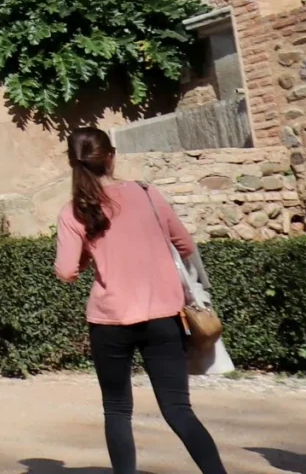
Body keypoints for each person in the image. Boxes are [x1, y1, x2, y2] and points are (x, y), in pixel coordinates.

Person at [53, 127, 226, 474]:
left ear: (73, 164)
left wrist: (92, 253)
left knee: (117, 409)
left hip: (110, 320)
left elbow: (67, 271)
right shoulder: (147, 194)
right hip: (163, 315)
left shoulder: (74, 211)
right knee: (178, 408)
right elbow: (186, 245)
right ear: (111, 157)